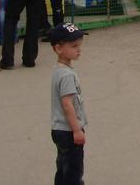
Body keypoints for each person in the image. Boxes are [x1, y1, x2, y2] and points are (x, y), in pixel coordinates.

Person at [49, 23, 88, 185]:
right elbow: (67, 105)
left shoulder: (59, 70)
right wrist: (77, 130)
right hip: (69, 131)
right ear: (58, 49)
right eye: (73, 46)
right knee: (73, 168)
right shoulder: (66, 75)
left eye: (79, 45)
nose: (78, 49)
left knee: (63, 165)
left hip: (59, 130)